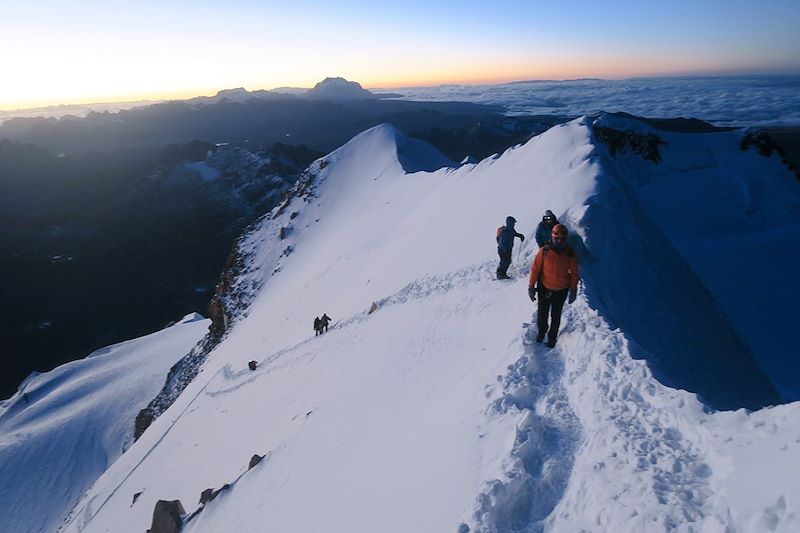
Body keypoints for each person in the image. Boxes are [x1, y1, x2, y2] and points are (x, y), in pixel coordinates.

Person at [528, 224, 579, 348]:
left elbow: (574, 273)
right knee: (542, 314)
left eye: (562, 238)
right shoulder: (544, 251)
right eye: (557, 238)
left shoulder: (570, 254)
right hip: (544, 288)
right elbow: (535, 269)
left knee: (556, 316)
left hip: (561, 290)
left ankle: (552, 338)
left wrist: (573, 288)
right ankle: (541, 332)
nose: (560, 241)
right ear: (552, 237)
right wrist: (531, 286)